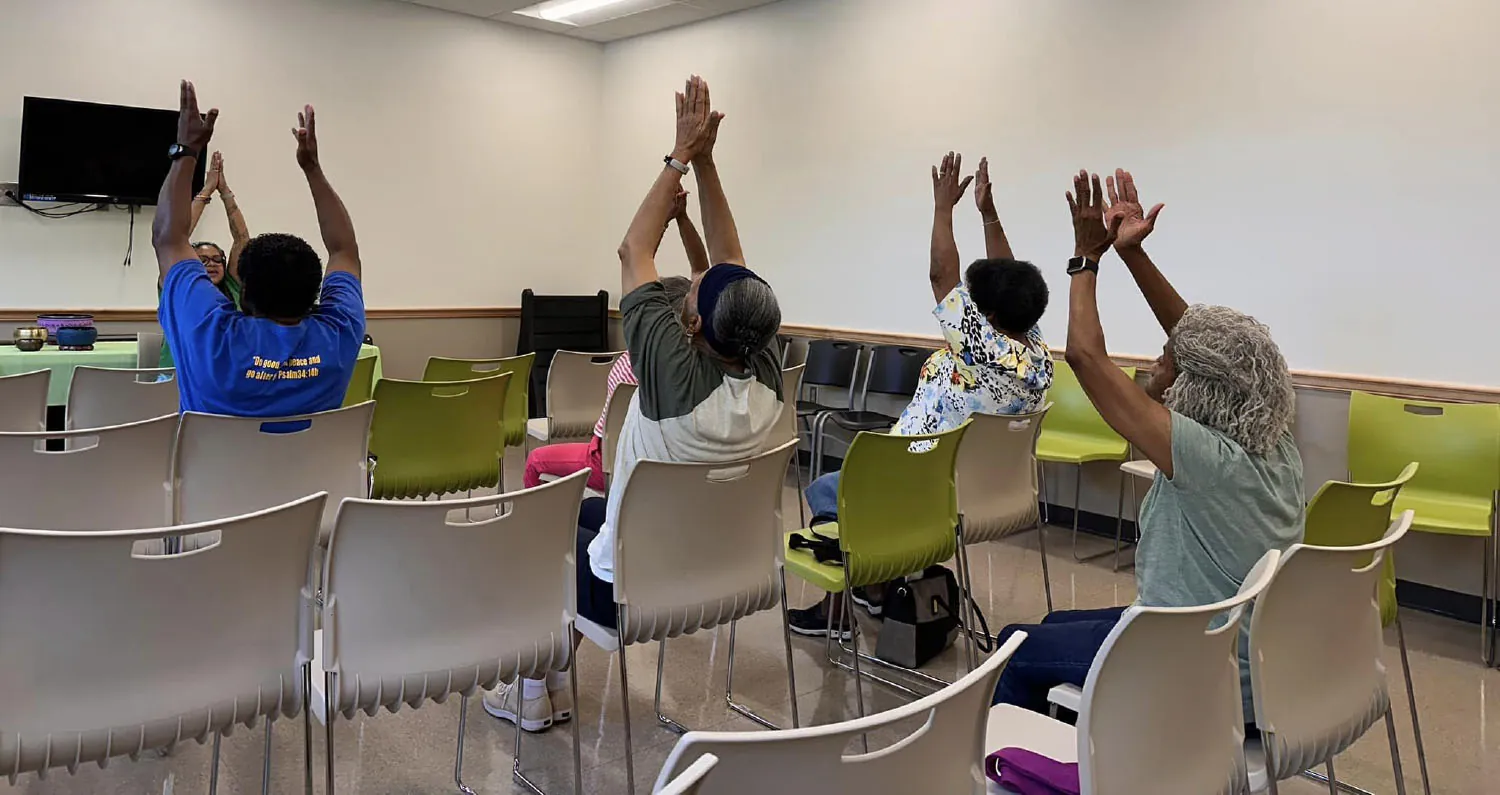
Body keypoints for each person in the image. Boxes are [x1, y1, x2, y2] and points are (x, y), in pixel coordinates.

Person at [486, 75, 784, 733]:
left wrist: (679, 155)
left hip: (635, 595)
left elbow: (634, 249)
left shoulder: (666, 368)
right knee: (582, 511)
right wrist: (707, 163)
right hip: (718, 575)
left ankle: (531, 691)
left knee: (539, 531)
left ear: (696, 328)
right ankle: (551, 671)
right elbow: (733, 260)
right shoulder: (765, 373)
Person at [990, 169, 1303, 722]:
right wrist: (1133, 256)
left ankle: (1040, 770)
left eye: (1169, 362)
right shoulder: (1273, 443)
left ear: (1201, 390)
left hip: (1195, 669)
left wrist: (1087, 259)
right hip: (1252, 660)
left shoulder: (1204, 457)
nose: (1159, 364)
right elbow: (1209, 348)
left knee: (1016, 645)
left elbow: (1086, 359)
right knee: (1056, 625)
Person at [786, 153, 1054, 637]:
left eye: (972, 301)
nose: (964, 302)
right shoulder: (1034, 353)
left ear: (986, 317)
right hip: (987, 492)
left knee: (833, 489)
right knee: (855, 480)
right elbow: (1008, 278)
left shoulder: (978, 348)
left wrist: (943, 209)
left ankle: (843, 605)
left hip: (924, 484)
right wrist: (988, 214)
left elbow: (939, 275)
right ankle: (878, 587)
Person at [152, 81, 365, 418]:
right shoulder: (338, 334)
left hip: (213, 472)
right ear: (316, 292)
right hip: (309, 472)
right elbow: (345, 251)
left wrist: (187, 151)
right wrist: (313, 168)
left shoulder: (210, 334)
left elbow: (168, 238)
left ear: (245, 289)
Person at [521, 190, 709, 492]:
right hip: (664, 466)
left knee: (535, 461)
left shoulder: (631, 362)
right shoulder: (698, 363)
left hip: (608, 459)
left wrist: (662, 224)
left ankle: (536, 533)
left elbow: (637, 264)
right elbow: (702, 273)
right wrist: (683, 219)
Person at [161, 150, 252, 368]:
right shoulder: (180, 286)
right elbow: (178, 238)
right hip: (179, 377)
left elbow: (242, 238)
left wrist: (226, 192)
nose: (211, 264)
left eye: (216, 259)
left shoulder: (233, 286)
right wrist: (206, 190)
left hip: (226, 373)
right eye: (202, 260)